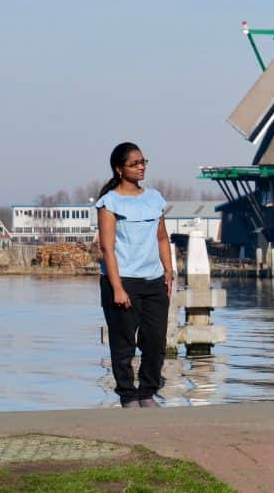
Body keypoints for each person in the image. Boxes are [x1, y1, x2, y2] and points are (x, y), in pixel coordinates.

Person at [96, 142, 173, 408]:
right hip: (122, 280)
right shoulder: (109, 203)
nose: (141, 167)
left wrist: (169, 271)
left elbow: (162, 238)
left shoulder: (155, 198)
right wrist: (117, 287)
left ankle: (148, 392)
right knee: (123, 344)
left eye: (143, 162)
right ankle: (128, 395)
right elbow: (107, 247)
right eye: (134, 163)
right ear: (119, 169)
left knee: (155, 342)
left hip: (153, 281)